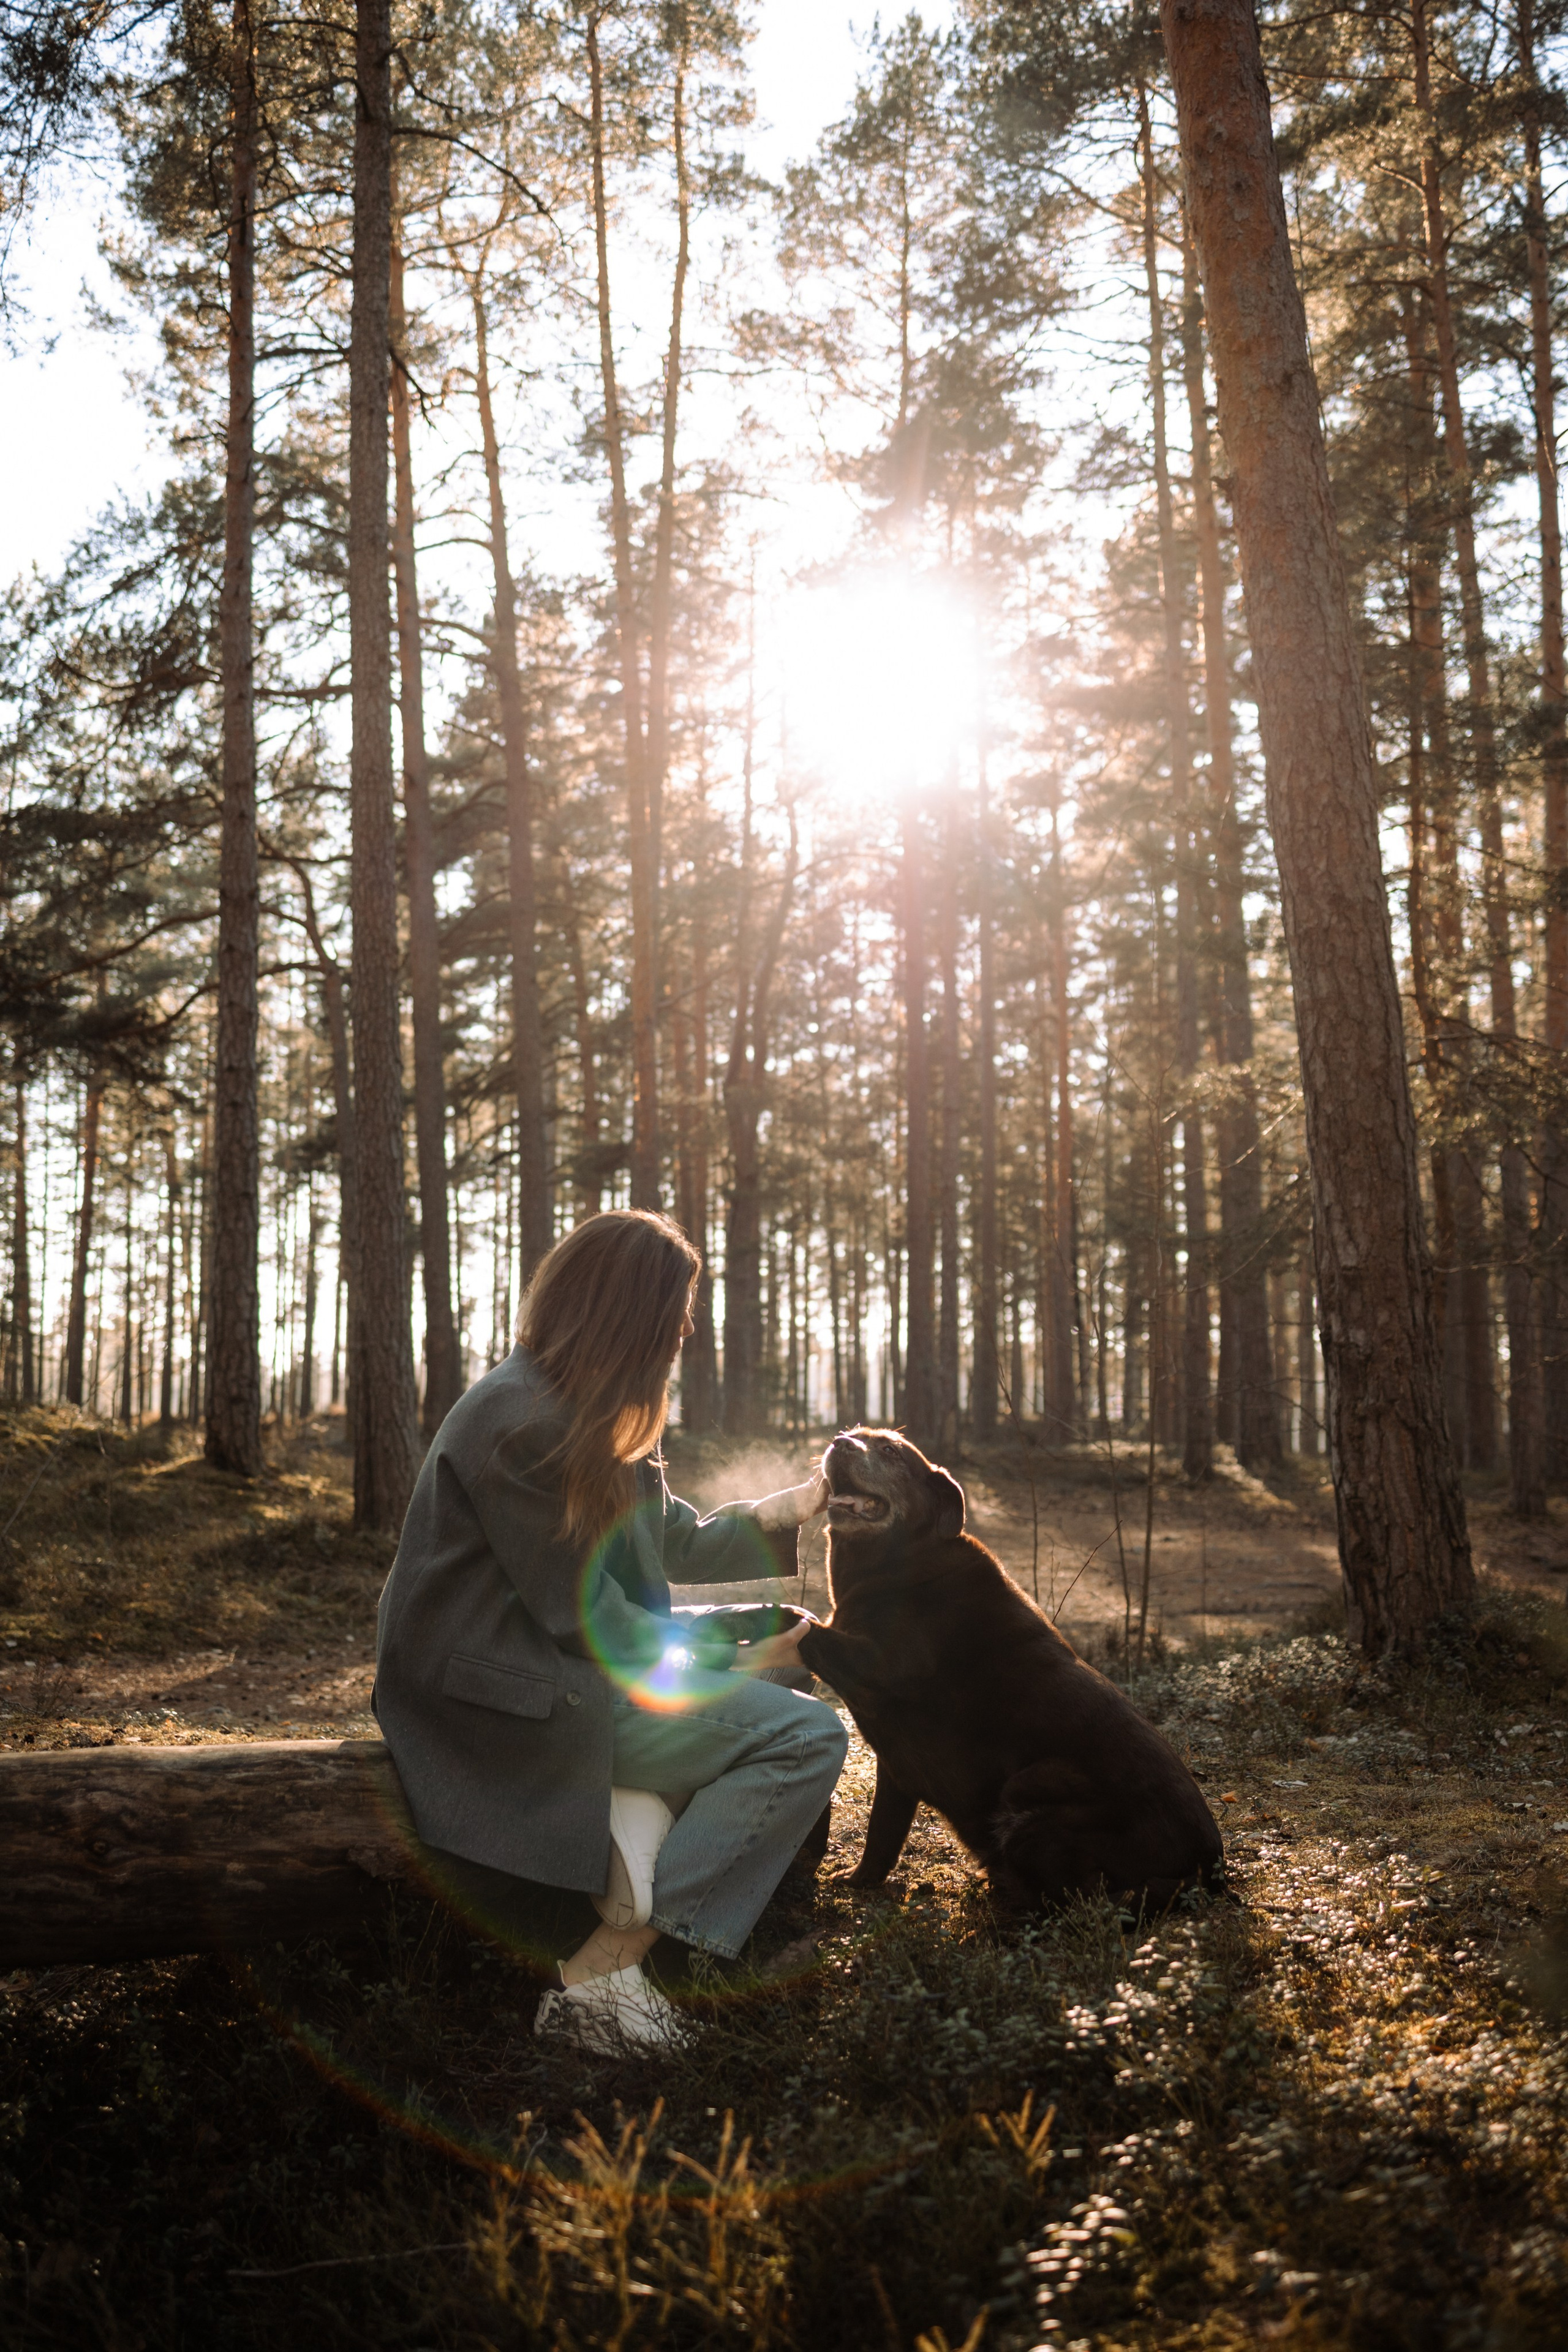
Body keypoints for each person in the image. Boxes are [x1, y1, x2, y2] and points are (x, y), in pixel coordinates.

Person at [374, 1208, 847, 2054]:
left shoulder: (590, 1404)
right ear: (627, 1312)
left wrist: (792, 1506)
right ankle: (606, 1972)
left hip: (563, 1658)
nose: (686, 1331)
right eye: (676, 1312)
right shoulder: (521, 1423)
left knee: (784, 1659)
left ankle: (642, 1824)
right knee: (808, 1736)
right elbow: (589, 1624)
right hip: (507, 1695)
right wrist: (742, 1656)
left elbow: (673, 1538)